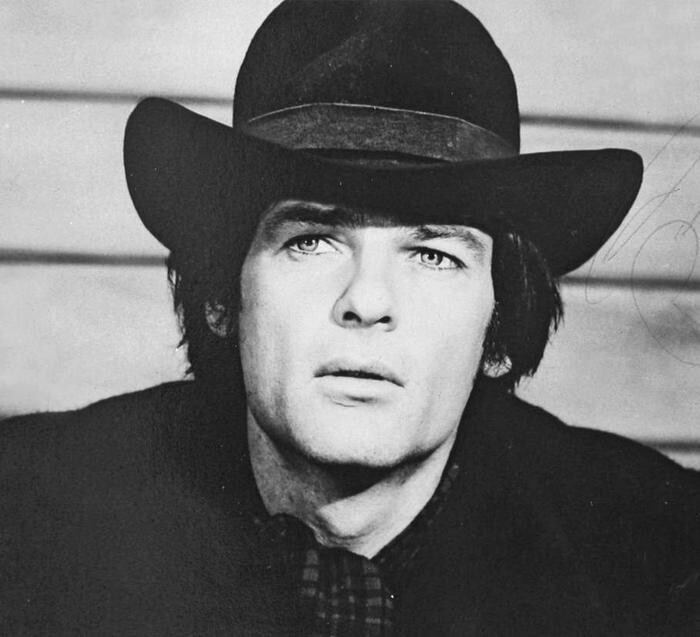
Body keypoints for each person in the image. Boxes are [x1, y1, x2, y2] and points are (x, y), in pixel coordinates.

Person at [1, 0, 698, 634]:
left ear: (499, 329)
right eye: (311, 242)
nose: (366, 301)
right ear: (222, 297)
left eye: (432, 255)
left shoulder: (663, 555)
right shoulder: (25, 516)